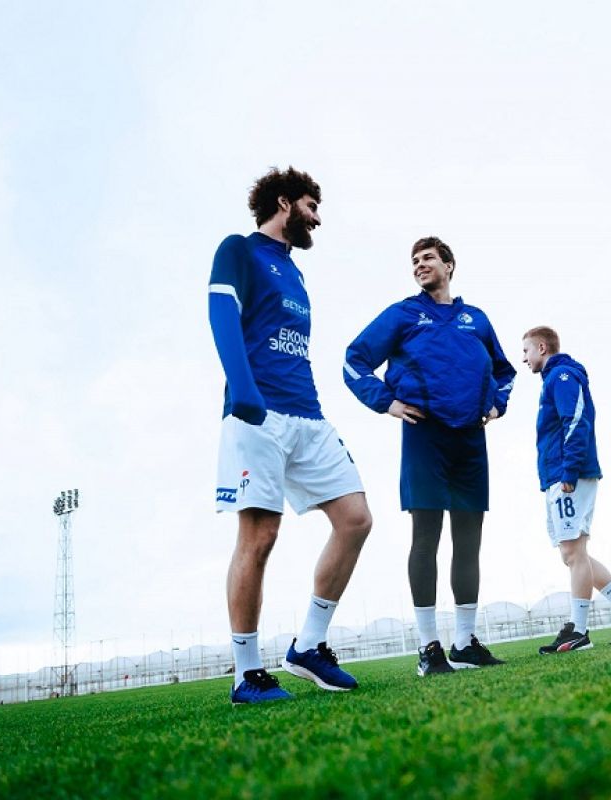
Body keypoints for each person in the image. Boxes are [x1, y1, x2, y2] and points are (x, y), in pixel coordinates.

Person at [209, 167, 373, 705]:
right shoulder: (239, 249)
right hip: (259, 415)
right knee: (259, 538)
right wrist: (242, 385)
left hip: (309, 417)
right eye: (311, 206)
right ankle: (247, 673)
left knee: (356, 519)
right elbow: (221, 310)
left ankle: (308, 645)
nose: (317, 219)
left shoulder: (296, 273)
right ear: (284, 202)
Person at [344, 237, 516, 675]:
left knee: (469, 541)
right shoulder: (403, 314)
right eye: (414, 261)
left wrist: (497, 404)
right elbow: (354, 360)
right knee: (426, 537)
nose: (419, 265)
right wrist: (386, 402)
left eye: (428, 258)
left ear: (449, 265)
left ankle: (464, 643)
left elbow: (504, 372)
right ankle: (428, 648)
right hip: (424, 434)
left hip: (470, 439)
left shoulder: (476, 319)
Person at [521, 326, 611, 653]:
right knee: (572, 553)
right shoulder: (553, 379)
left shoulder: (562, 376)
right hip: (558, 474)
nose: (523, 358)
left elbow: (576, 421)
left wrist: (568, 470)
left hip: (569, 474)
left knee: (574, 553)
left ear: (542, 347)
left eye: (526, 351)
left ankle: (578, 630)